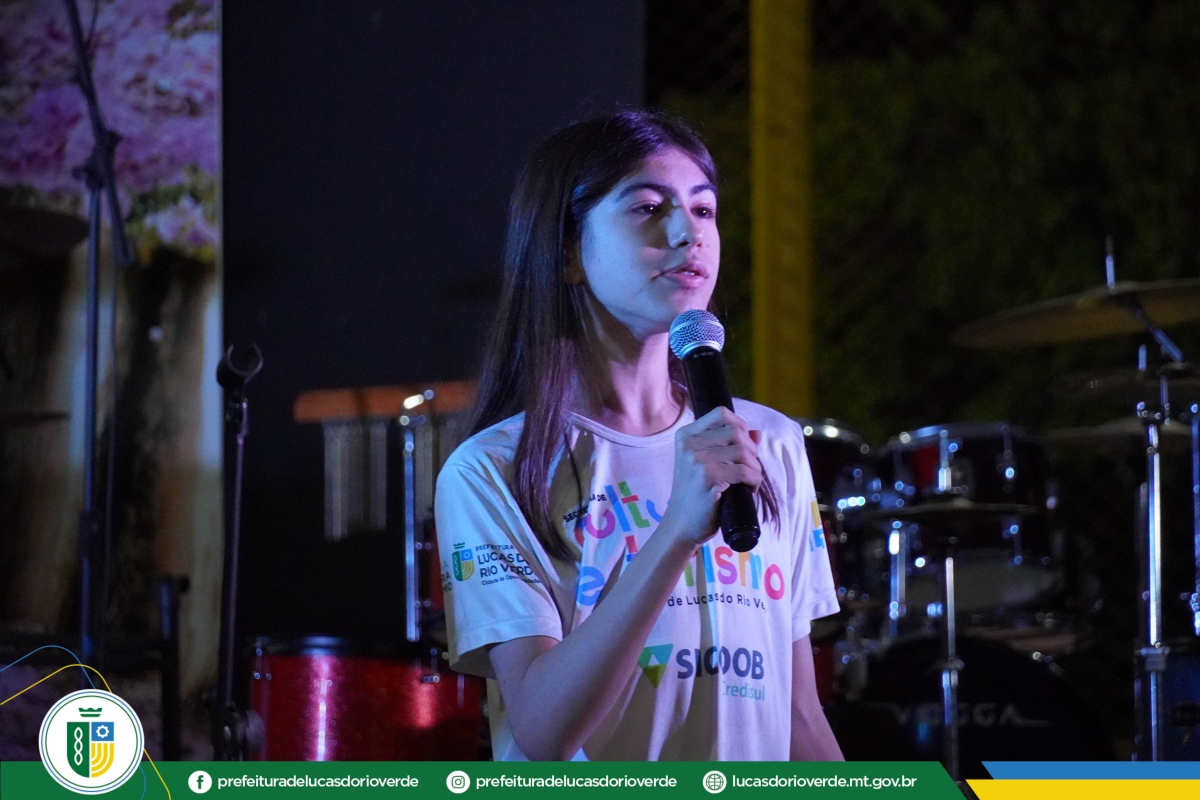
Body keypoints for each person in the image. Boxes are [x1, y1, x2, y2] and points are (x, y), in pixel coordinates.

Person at [434, 109, 842, 761]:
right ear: (568, 252)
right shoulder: (491, 471)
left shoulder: (770, 441)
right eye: (649, 208)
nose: (688, 233)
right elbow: (542, 730)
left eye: (704, 210)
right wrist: (676, 530)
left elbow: (796, 713)